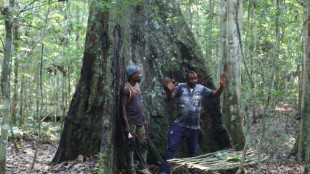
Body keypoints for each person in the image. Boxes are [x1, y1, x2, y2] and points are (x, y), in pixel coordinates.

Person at [160, 70, 227, 174]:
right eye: (191, 79)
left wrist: (222, 86)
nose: (194, 80)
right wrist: (170, 91)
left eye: (195, 78)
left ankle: (192, 171)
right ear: (187, 79)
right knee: (171, 149)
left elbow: (216, 94)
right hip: (179, 125)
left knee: (193, 153)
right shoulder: (181, 87)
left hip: (194, 127)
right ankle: (164, 171)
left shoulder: (201, 89)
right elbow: (170, 98)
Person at [121, 65, 151, 174]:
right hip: (131, 121)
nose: (140, 75)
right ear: (132, 76)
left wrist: (144, 119)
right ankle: (130, 168)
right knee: (131, 145)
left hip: (139, 120)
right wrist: (126, 125)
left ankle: (142, 166)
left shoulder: (137, 86)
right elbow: (123, 108)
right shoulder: (125, 88)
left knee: (143, 143)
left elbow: (139, 104)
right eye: (138, 74)